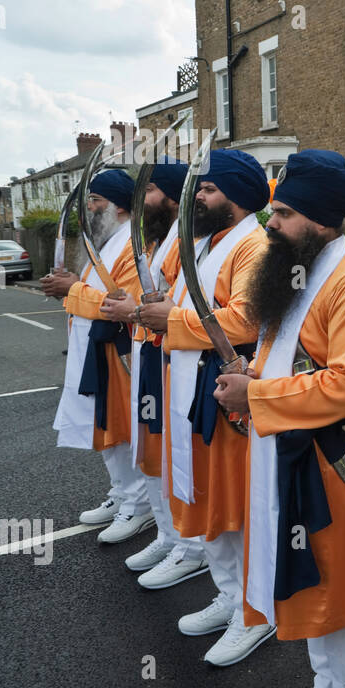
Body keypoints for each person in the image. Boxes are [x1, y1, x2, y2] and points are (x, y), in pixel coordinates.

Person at [210, 150, 345, 688]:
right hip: (291, 454)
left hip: (337, 467)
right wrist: (251, 373)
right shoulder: (294, 272)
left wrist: (257, 394)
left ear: (319, 221)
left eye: (284, 213)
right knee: (309, 579)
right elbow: (282, 353)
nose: (271, 223)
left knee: (340, 591)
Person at [137, 149, 274, 665]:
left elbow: (244, 320)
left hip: (222, 392)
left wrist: (168, 322)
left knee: (232, 505)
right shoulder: (205, 239)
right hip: (187, 383)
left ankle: (253, 612)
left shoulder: (253, 247)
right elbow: (171, 286)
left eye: (209, 190)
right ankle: (227, 594)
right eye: (198, 188)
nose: (198, 196)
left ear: (236, 198)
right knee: (203, 496)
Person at [99, 158, 211, 586]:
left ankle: (192, 546)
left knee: (177, 453)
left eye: (147, 192)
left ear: (170, 194)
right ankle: (169, 536)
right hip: (151, 356)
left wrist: (140, 311)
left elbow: (189, 308)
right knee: (154, 450)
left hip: (176, 357)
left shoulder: (187, 241)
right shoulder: (155, 240)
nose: (140, 201)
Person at [43, 169, 154, 545]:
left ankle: (138, 505)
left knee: (121, 427)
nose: (89, 208)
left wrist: (72, 288)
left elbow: (122, 302)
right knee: (104, 426)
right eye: (89, 200)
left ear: (118, 205)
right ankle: (122, 493)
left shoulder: (133, 244)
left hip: (118, 352)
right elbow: (95, 290)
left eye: (95, 201)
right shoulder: (105, 242)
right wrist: (70, 285)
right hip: (93, 349)